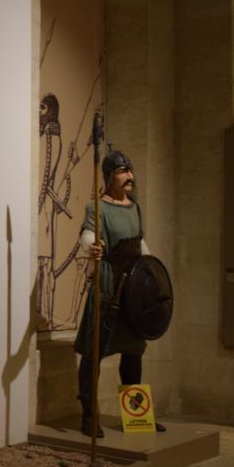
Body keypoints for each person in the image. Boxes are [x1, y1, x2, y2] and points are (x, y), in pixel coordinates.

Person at [74, 149, 164, 437]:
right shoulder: (96, 207)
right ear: (109, 176)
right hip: (109, 286)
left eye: (130, 170)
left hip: (133, 290)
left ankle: (136, 415)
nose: (129, 176)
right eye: (123, 171)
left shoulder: (134, 207)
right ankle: (89, 415)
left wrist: (152, 271)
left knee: (133, 352)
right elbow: (88, 233)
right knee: (95, 351)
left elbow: (140, 242)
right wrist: (91, 245)